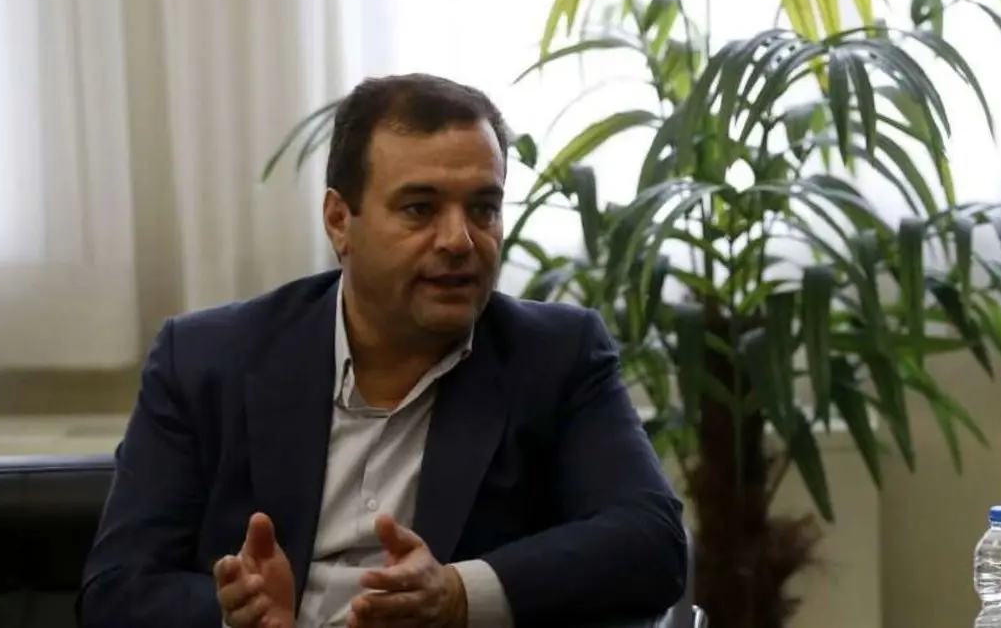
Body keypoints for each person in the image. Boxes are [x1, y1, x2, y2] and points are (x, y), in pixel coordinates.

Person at [77, 73, 687, 628]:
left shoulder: (555, 356)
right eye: (420, 209)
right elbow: (117, 588)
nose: (459, 240)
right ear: (339, 221)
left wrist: (459, 594)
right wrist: (236, 615)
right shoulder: (203, 361)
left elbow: (651, 542)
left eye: (483, 208)